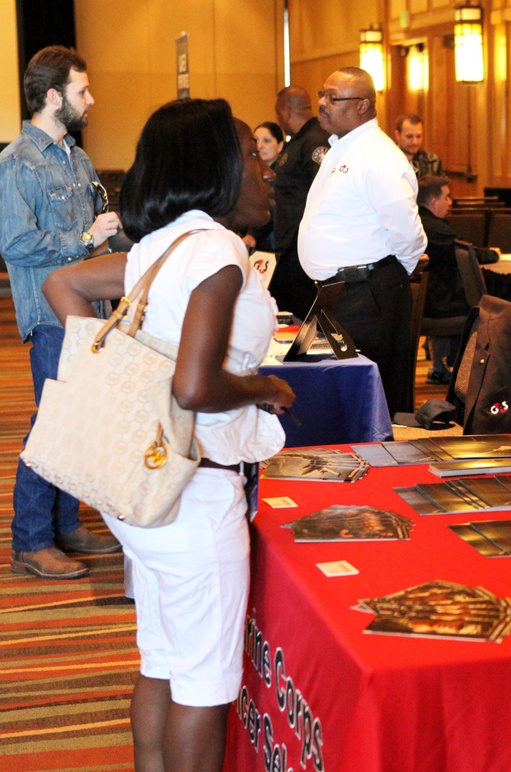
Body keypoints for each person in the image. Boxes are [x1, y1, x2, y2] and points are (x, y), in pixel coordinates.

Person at [42, 98, 295, 770]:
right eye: (248, 155)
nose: (264, 168)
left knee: (163, 660)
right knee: (204, 688)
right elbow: (194, 386)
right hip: (194, 491)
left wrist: (120, 373)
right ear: (212, 166)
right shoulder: (215, 249)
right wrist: (265, 388)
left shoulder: (162, 244)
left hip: (143, 487)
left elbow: (62, 285)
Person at [0, 46, 124, 580]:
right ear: (54, 97)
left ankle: (65, 521)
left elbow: (98, 235)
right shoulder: (16, 163)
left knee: (78, 419)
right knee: (53, 424)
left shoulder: (76, 157)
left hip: (90, 309)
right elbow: (16, 244)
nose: (90, 99)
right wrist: (84, 238)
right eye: (81, 91)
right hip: (50, 312)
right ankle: (30, 538)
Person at [299, 67, 427, 416]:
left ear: (363, 105)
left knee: (370, 401)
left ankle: (378, 466)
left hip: (367, 294)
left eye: (333, 97)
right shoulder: (342, 147)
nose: (322, 104)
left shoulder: (378, 155)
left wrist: (383, 275)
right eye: (322, 94)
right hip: (337, 293)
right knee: (332, 395)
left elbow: (408, 233)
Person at [270, 85, 330, 318]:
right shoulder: (300, 140)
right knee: (287, 316)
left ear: (285, 112)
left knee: (304, 319)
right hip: (290, 245)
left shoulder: (315, 141)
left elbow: (323, 192)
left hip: (302, 248)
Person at [417, 175, 465, 384]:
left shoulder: (417, 221)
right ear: (434, 202)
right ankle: (467, 372)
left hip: (424, 298)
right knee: (483, 306)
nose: (450, 202)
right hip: (435, 303)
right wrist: (493, 254)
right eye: (447, 197)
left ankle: (439, 366)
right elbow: (466, 252)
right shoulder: (435, 229)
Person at [242, 121, 285, 254]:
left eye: (266, 141)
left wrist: (252, 234)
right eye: (256, 141)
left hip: (274, 242)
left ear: (280, 145)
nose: (260, 146)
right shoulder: (250, 174)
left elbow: (273, 210)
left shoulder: (284, 176)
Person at [395, 113, 443, 179]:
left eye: (418, 136)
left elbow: (443, 188)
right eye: (409, 137)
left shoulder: (433, 162)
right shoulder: (387, 162)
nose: (415, 142)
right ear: (397, 135)